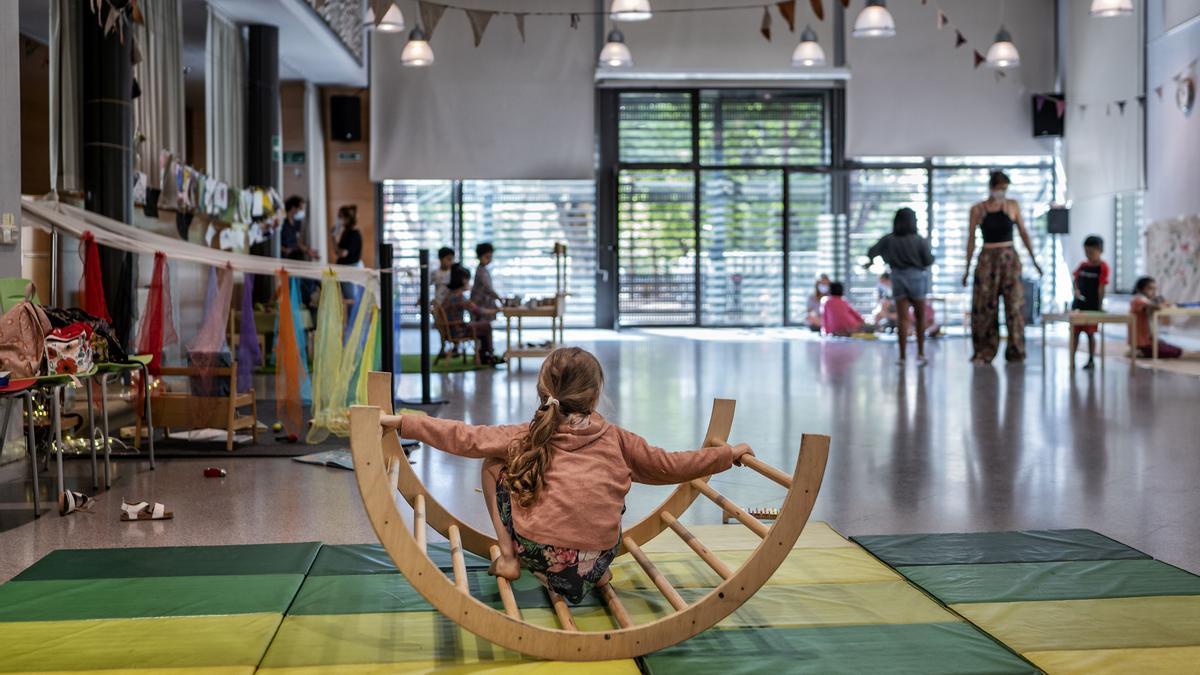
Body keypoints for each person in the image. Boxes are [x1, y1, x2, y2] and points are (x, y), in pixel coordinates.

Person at [378, 347, 755, 604]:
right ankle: (591, 571)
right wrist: (726, 455)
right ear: (595, 395)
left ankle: (509, 556)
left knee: (493, 463)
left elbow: (464, 437)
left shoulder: (526, 434)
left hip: (539, 553)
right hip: (600, 556)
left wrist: (404, 422)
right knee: (609, 487)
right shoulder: (619, 439)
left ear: (544, 392)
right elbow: (672, 466)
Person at [963, 170, 1043, 364]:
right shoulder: (978, 209)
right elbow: (971, 240)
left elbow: (1023, 233)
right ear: (991, 188)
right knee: (985, 307)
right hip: (987, 261)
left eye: (1005, 189)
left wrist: (1034, 260)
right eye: (999, 188)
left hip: (1009, 260)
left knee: (1014, 306)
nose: (1002, 192)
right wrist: (966, 269)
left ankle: (1016, 351)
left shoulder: (1012, 206)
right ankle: (984, 350)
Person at [866, 208, 935, 365]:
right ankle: (921, 353)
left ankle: (902, 357)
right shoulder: (919, 240)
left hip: (898, 279)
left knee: (902, 319)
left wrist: (872, 261)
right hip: (917, 279)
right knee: (919, 317)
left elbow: (872, 251)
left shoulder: (889, 239)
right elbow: (928, 260)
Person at [442, 264, 501, 364]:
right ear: (463, 280)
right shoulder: (459, 297)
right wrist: (495, 311)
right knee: (486, 325)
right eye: (468, 280)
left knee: (482, 325)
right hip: (458, 331)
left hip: (449, 330)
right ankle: (489, 355)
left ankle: (485, 355)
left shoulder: (449, 295)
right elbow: (477, 310)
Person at [1071, 235, 1110, 370]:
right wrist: (1075, 291)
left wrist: (1099, 306)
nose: (1088, 255)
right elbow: (1075, 280)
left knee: (1090, 333)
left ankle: (1091, 359)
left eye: (1091, 252)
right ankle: (1072, 359)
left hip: (1093, 305)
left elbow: (1101, 287)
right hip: (1079, 305)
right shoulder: (1082, 266)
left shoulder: (1102, 267)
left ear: (1100, 250)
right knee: (1075, 332)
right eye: (1086, 252)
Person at [1130, 276, 1183, 359]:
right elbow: (1152, 306)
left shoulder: (1148, 300)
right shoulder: (1137, 300)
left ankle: (1144, 350)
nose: (1154, 292)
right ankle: (1139, 352)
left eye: (1155, 289)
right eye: (1150, 289)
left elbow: (1165, 321)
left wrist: (1163, 303)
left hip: (1149, 340)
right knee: (1176, 352)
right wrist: (1161, 304)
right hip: (1142, 342)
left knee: (1177, 349)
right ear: (1141, 289)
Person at [334, 205, 364, 302]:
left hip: (350, 270)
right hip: (344, 269)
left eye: (340, 217)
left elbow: (342, 253)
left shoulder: (353, 234)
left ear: (347, 218)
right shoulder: (345, 232)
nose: (338, 219)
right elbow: (337, 251)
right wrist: (333, 237)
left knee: (351, 299)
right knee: (346, 299)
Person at [471, 242, 502, 316]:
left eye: (490, 257)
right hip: (480, 304)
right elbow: (488, 288)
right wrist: (498, 298)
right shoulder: (480, 271)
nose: (489, 260)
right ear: (479, 257)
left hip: (484, 303)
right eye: (487, 257)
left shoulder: (484, 270)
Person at [280, 195, 314, 261]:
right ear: (293, 208)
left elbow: (297, 243)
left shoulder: (297, 223)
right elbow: (273, 241)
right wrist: (285, 250)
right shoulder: (282, 221)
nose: (302, 212)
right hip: (282, 257)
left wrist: (308, 250)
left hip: (294, 257)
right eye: (301, 209)